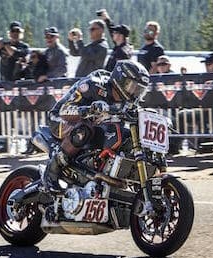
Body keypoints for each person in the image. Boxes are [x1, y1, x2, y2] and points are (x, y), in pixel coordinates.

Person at [43, 60, 149, 191]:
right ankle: (52, 170)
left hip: (92, 127)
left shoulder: (128, 102)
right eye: (132, 87)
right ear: (121, 80)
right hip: (60, 120)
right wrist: (88, 109)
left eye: (139, 90)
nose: (135, 93)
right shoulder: (94, 85)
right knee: (84, 128)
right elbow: (64, 111)